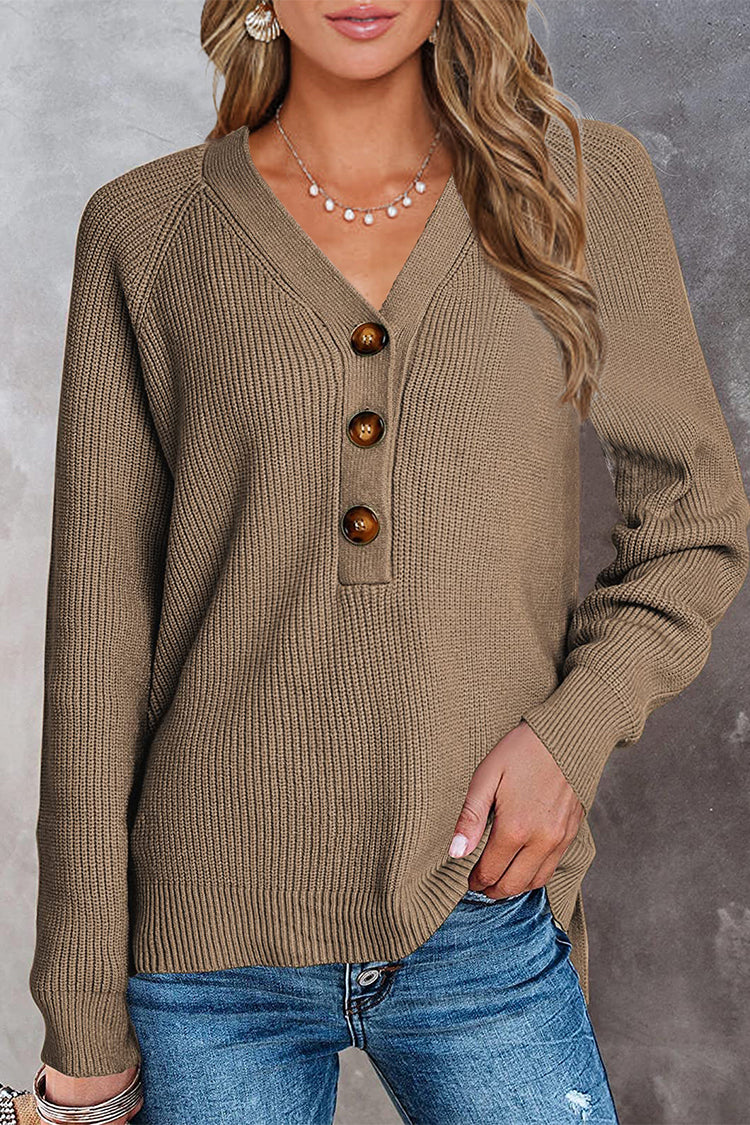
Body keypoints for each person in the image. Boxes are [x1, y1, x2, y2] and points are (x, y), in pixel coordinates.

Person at [28, 1, 750, 1123]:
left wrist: (568, 736)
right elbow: (96, 642)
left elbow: (694, 519)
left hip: (480, 911)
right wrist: (80, 1019)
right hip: (205, 947)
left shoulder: (574, 186)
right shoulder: (146, 230)